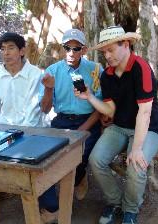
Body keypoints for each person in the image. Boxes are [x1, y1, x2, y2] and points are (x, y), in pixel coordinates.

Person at [75, 26, 158, 224]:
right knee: (96, 160)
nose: (107, 56)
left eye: (111, 50)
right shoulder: (107, 75)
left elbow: (145, 112)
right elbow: (110, 110)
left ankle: (130, 209)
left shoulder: (141, 68)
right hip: (120, 126)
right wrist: (89, 97)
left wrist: (137, 148)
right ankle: (115, 202)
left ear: (126, 45)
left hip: (148, 128)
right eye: (104, 52)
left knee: (135, 165)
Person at [0, 32, 58, 224]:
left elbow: (46, 109)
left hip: (34, 129)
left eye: (11, 48)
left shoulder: (36, 74)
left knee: (36, 163)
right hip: (6, 130)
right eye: (3, 49)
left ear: (22, 50)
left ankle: (51, 209)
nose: (6, 53)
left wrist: (49, 89)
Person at [40, 28, 103, 200]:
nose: (71, 53)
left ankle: (79, 178)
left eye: (76, 48)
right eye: (67, 47)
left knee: (80, 155)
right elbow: (44, 109)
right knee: (50, 157)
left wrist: (83, 128)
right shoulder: (52, 71)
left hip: (88, 120)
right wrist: (48, 88)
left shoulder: (95, 70)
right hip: (62, 121)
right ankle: (52, 203)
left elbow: (100, 106)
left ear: (83, 50)